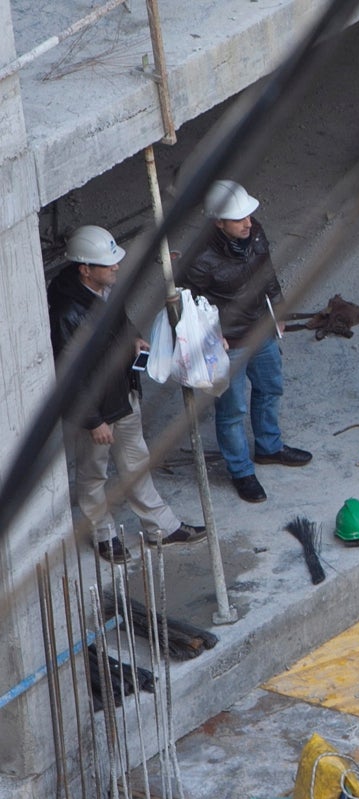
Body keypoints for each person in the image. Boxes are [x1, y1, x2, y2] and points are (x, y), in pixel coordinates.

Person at [48, 225, 206, 561]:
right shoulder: (66, 313)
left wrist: (133, 338)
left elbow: (120, 321)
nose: (116, 267)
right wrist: (93, 421)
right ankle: (103, 535)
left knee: (136, 463)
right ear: (85, 269)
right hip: (99, 412)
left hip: (124, 396)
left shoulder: (103, 291)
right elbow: (69, 375)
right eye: (108, 264)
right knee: (93, 475)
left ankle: (160, 527)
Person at [182, 180, 311, 504]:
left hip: (260, 329)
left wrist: (278, 309)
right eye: (239, 219)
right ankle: (241, 471)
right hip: (230, 341)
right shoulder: (199, 259)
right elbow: (190, 304)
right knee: (232, 409)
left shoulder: (254, 233)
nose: (248, 223)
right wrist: (211, 338)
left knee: (270, 388)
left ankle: (269, 448)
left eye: (248, 216)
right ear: (218, 223)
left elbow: (266, 272)